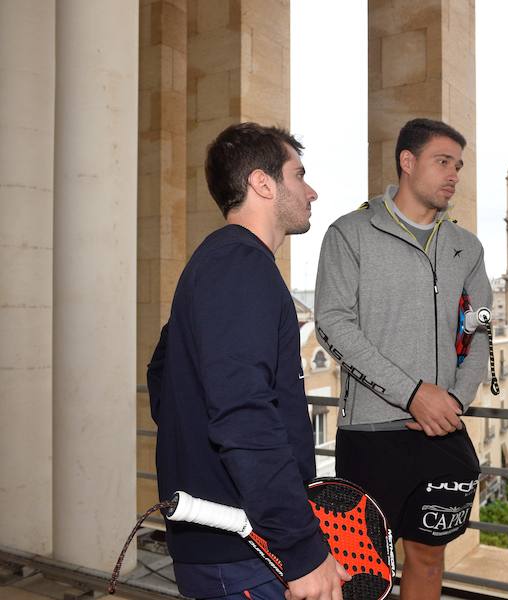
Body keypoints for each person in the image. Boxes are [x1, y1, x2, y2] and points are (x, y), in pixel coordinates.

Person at [147, 123, 348, 600]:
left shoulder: (216, 263)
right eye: (299, 175)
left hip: (230, 542)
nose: (311, 190)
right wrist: (302, 550)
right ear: (263, 183)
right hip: (245, 553)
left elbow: (163, 377)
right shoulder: (241, 266)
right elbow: (244, 416)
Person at [315, 118, 490, 600]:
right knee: (358, 573)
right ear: (407, 163)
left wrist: (450, 402)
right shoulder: (349, 233)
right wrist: (413, 395)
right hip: (371, 436)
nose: (453, 174)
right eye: (442, 162)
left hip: (442, 433)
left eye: (458, 164)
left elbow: (479, 330)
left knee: (429, 562)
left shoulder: (465, 247)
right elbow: (332, 324)